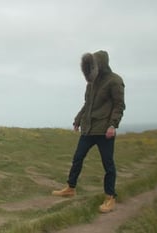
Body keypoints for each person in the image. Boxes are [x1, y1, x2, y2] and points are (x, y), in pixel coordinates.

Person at [52, 50, 125, 213]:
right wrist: (78, 119)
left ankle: (110, 197)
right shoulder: (91, 84)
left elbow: (119, 105)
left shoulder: (115, 81)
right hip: (88, 129)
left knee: (108, 164)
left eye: (95, 65)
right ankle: (70, 188)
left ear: (102, 65)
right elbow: (87, 105)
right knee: (77, 158)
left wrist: (113, 125)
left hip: (105, 131)